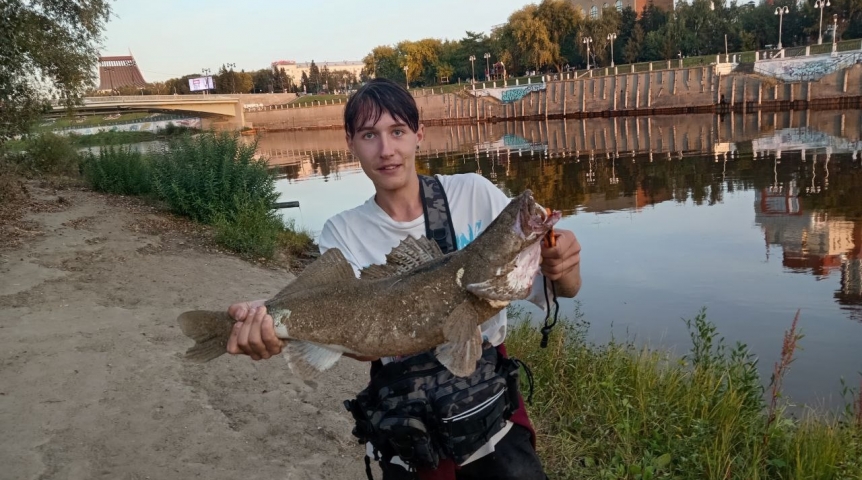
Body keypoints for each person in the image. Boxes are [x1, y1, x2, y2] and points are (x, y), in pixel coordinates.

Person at [226, 78, 582, 480]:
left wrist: (565, 266)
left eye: (397, 131)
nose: (386, 149)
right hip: (409, 425)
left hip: (491, 417)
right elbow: (362, 346)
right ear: (350, 143)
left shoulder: (475, 193)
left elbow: (564, 290)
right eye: (369, 135)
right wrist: (271, 325)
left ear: (419, 135)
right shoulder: (342, 232)